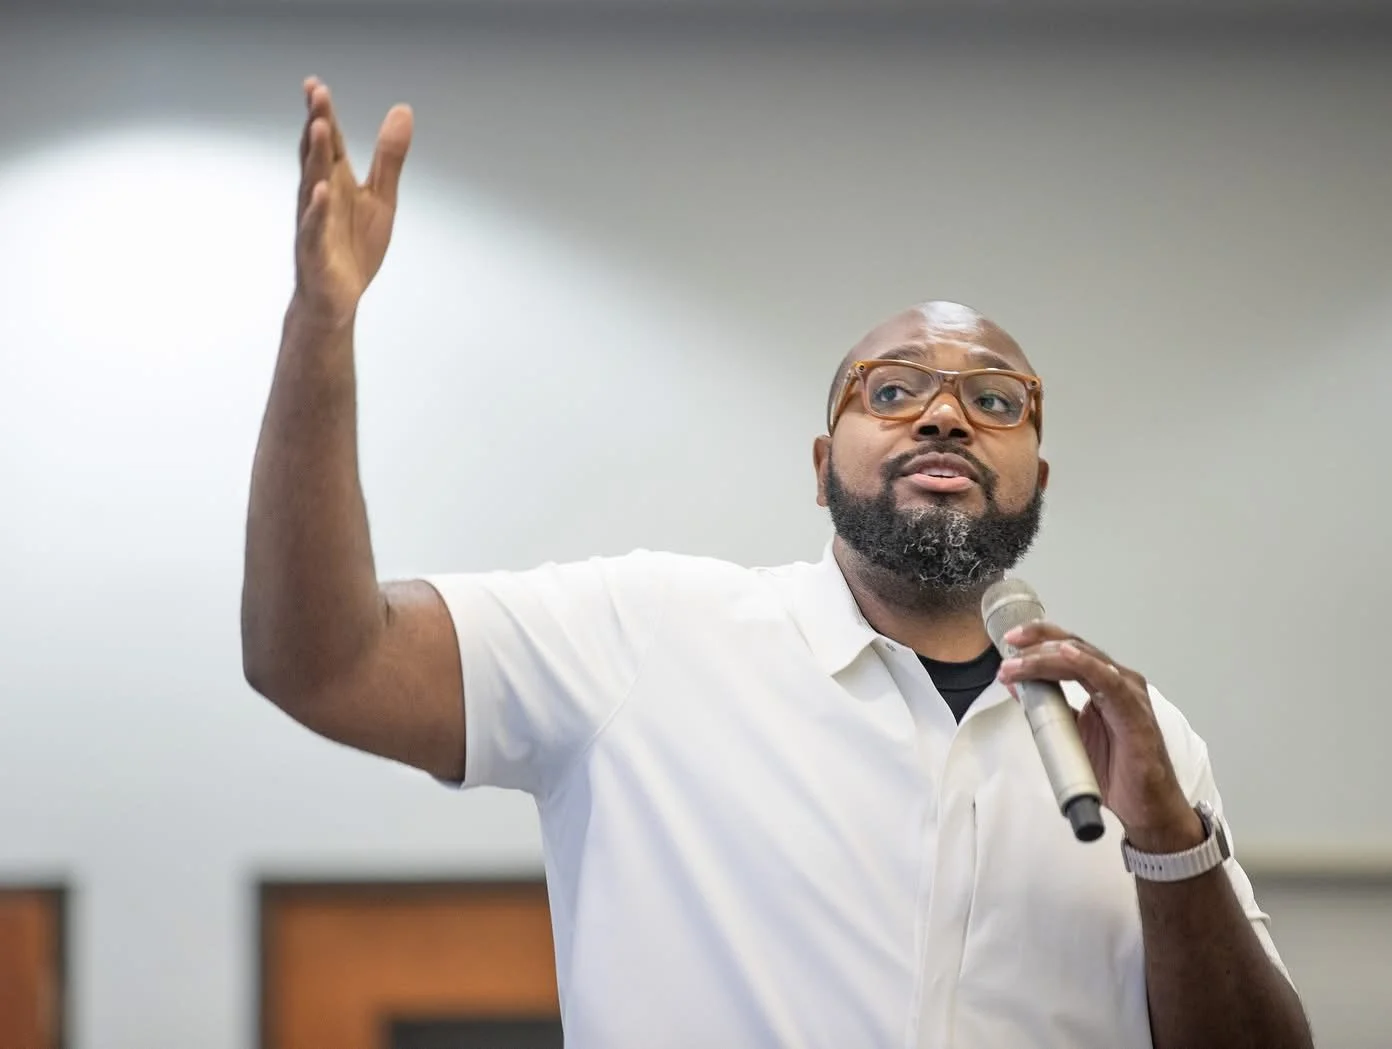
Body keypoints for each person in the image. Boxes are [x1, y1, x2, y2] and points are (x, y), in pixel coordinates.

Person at [241, 78, 1315, 1049]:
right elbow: (322, 661)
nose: (944, 414)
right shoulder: (644, 637)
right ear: (819, 467)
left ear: (1039, 474)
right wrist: (321, 326)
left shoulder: (1140, 743)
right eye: (890, 392)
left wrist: (1171, 841)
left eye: (993, 401)